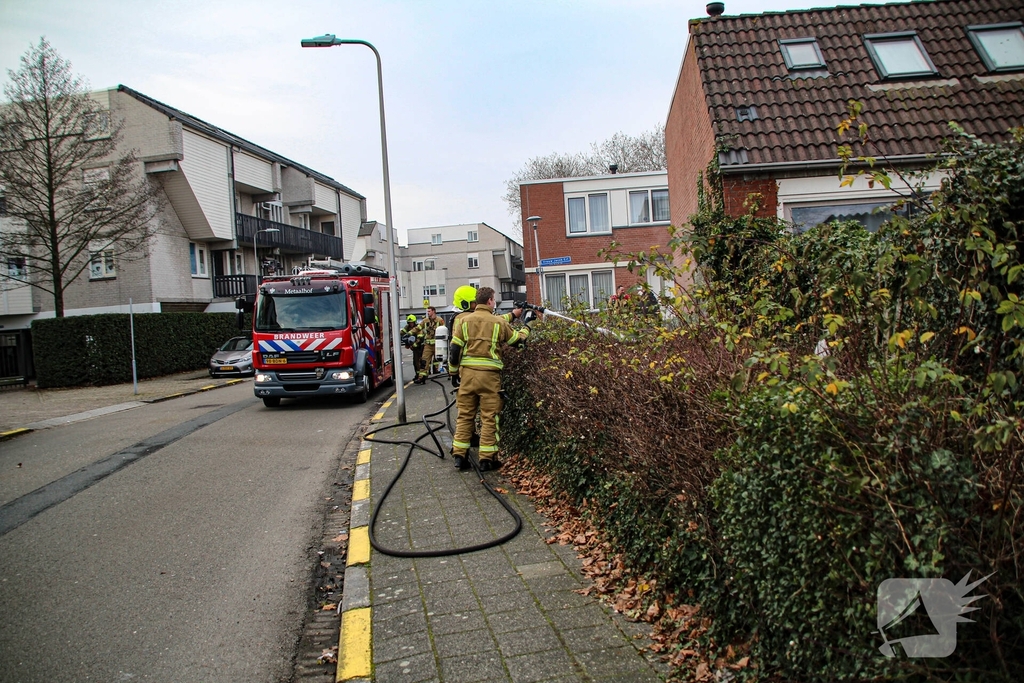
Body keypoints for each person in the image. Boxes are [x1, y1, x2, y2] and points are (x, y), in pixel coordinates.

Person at [448, 287, 528, 471]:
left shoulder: (463, 321)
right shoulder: (497, 322)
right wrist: (526, 328)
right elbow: (519, 342)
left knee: (465, 416)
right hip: (490, 378)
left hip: (467, 377)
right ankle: (487, 460)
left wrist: (454, 374)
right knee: (489, 418)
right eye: (494, 300)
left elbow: (454, 351)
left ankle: (459, 457)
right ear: (490, 301)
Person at [409, 306, 440, 384]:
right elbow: (417, 328)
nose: (428, 313)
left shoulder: (440, 320)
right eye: (427, 311)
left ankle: (451, 374)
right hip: (428, 345)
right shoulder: (425, 321)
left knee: (443, 359)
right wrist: (409, 333)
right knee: (424, 361)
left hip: (438, 344)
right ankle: (421, 377)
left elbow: (444, 331)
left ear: (433, 311)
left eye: (429, 311)